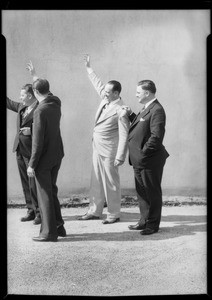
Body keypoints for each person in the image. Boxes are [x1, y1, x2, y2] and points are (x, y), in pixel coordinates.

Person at [78, 54, 129, 224]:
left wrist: (120, 156)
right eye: (105, 91)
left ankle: (114, 214)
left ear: (116, 93)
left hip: (110, 151)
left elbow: (124, 135)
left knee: (111, 182)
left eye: (108, 92)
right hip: (97, 147)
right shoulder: (106, 98)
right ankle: (94, 211)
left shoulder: (121, 110)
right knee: (96, 179)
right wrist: (89, 68)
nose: (104, 94)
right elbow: (98, 85)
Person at [26, 61, 66, 241]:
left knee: (44, 195)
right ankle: (59, 226)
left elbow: (37, 141)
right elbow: (44, 90)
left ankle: (49, 233)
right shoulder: (55, 103)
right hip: (56, 156)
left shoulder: (39, 111)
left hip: (44, 159)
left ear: (35, 93)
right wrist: (35, 76)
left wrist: (32, 164)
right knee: (52, 191)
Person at [123, 80, 169, 235]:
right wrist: (131, 115)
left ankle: (153, 225)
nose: (136, 95)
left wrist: (143, 153)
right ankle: (144, 221)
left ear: (147, 93)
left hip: (149, 159)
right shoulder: (147, 108)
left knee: (152, 191)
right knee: (142, 192)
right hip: (139, 159)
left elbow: (156, 137)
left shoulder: (157, 109)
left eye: (138, 92)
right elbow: (141, 126)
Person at [7, 85, 41, 224]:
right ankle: (31, 210)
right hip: (20, 149)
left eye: (22, 95)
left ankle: (39, 212)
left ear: (30, 96)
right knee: (25, 182)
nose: (20, 98)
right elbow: (8, 102)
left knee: (33, 183)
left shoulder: (40, 108)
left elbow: (43, 130)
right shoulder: (22, 107)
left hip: (31, 151)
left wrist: (31, 131)